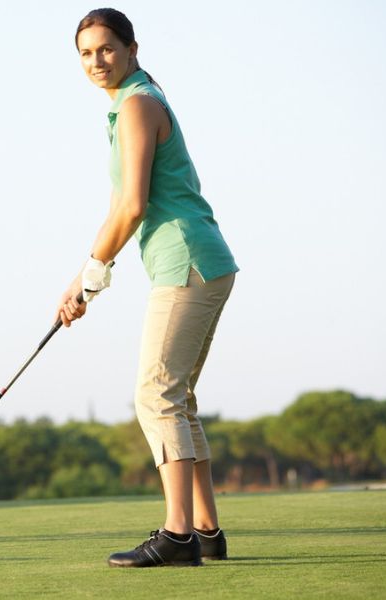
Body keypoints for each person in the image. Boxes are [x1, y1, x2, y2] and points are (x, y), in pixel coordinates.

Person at [57, 9, 238, 567]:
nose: (96, 61)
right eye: (86, 53)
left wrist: (91, 276)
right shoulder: (130, 103)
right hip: (198, 259)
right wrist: (86, 280)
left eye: (106, 49)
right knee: (178, 399)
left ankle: (178, 535)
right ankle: (205, 530)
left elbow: (133, 205)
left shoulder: (137, 104)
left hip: (185, 260)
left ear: (131, 49)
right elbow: (120, 206)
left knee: (156, 395)